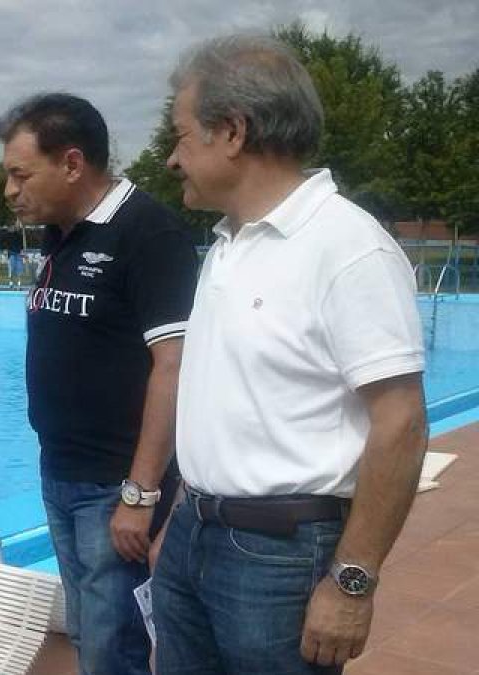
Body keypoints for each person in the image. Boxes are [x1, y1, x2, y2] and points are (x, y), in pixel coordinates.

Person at [151, 35, 428, 674]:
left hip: (280, 555)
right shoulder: (229, 244)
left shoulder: (347, 248)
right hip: (199, 532)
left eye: (183, 136)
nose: (171, 158)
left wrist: (353, 581)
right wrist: (185, 511)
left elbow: (402, 423)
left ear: (233, 132)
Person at [0, 93, 198, 674]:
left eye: (19, 174)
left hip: (115, 483)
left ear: (72, 163)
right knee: (89, 632)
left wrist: (141, 494)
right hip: (60, 469)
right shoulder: (60, 231)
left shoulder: (149, 233)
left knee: (115, 645)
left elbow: (173, 366)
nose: (10, 190)